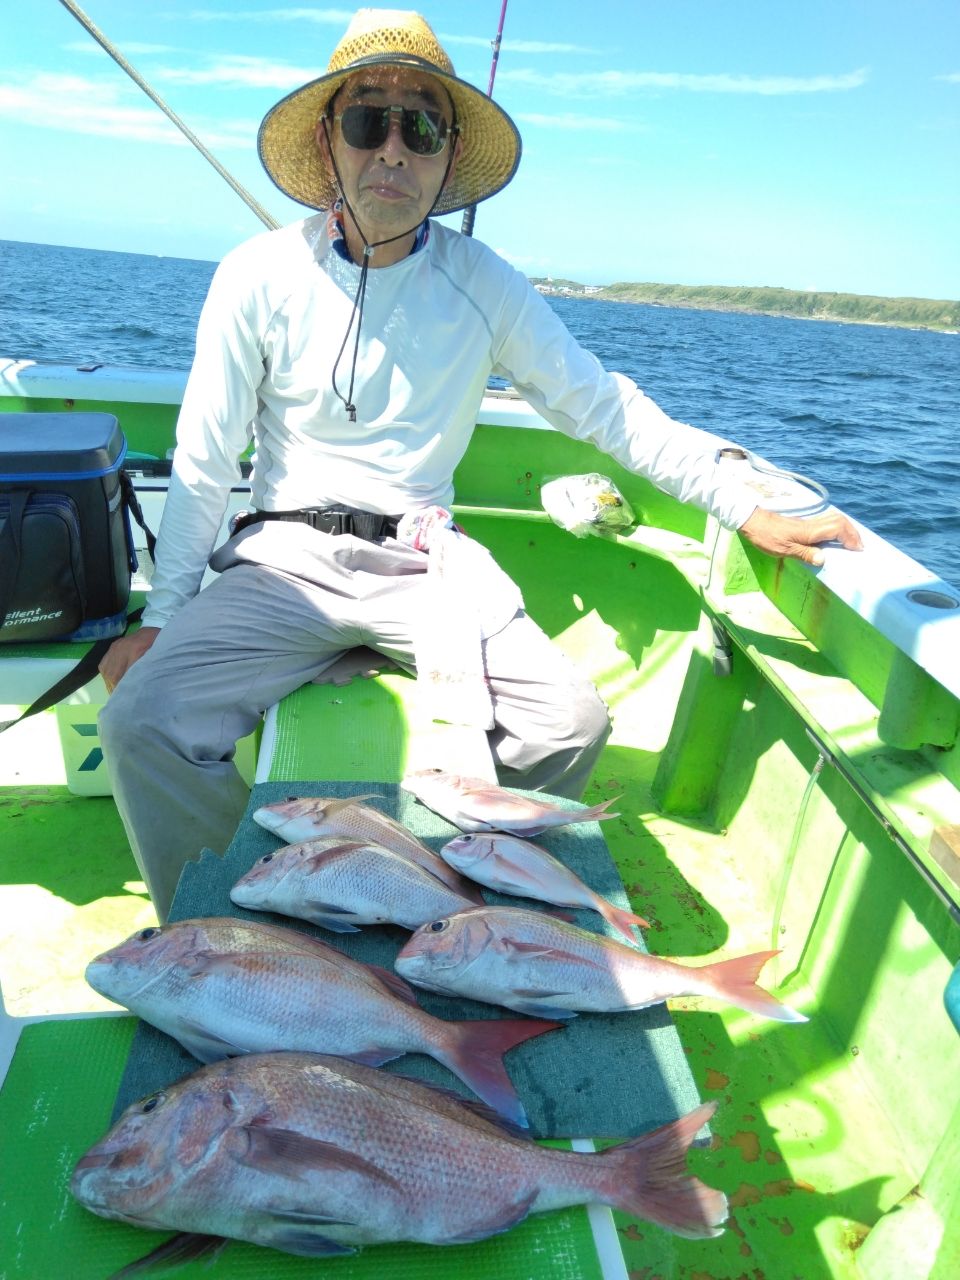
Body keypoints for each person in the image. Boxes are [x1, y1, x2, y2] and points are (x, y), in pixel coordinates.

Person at [98, 8, 861, 921]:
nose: (392, 150)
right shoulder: (256, 275)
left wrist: (735, 500)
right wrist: (166, 616)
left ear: (447, 155)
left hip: (426, 563)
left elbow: (601, 404)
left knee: (569, 723)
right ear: (326, 140)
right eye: (365, 120)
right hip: (281, 563)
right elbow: (204, 454)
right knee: (143, 721)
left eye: (420, 126)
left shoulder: (483, 283)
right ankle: (231, 924)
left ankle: (455, 904)